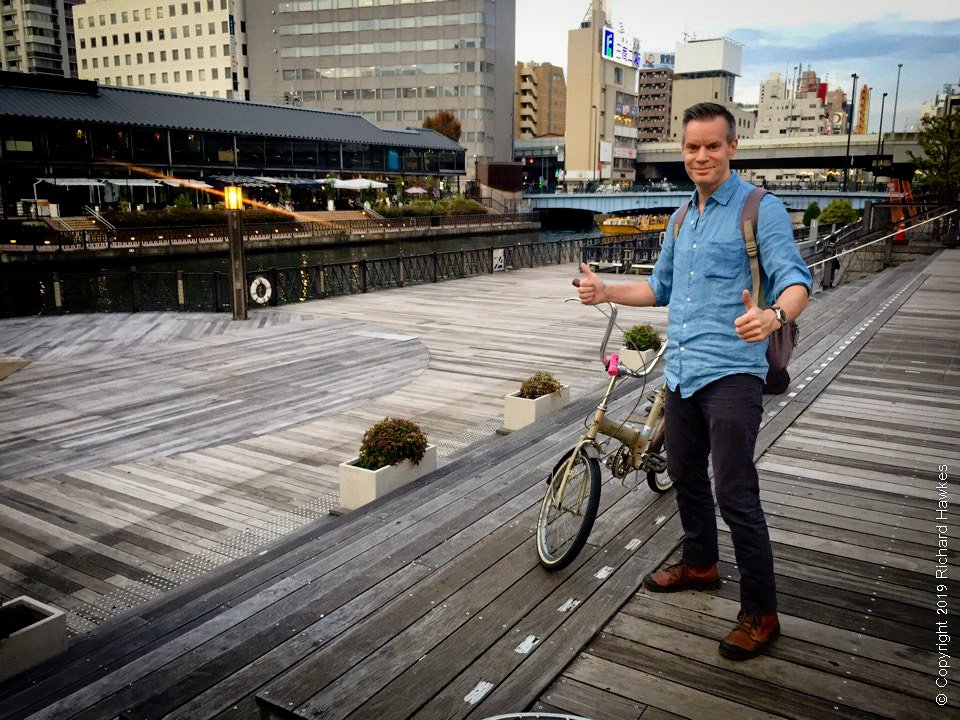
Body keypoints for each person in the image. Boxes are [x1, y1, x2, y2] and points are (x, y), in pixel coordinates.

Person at [576, 102, 812, 660]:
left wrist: (774, 315)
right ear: (682, 152)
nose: (701, 156)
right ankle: (701, 562)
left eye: (712, 146)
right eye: (692, 147)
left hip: (733, 372)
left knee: (735, 491)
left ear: (732, 148)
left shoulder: (760, 208)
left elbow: (797, 281)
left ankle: (762, 611)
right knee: (683, 472)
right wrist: (607, 290)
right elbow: (659, 288)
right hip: (681, 372)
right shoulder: (682, 218)